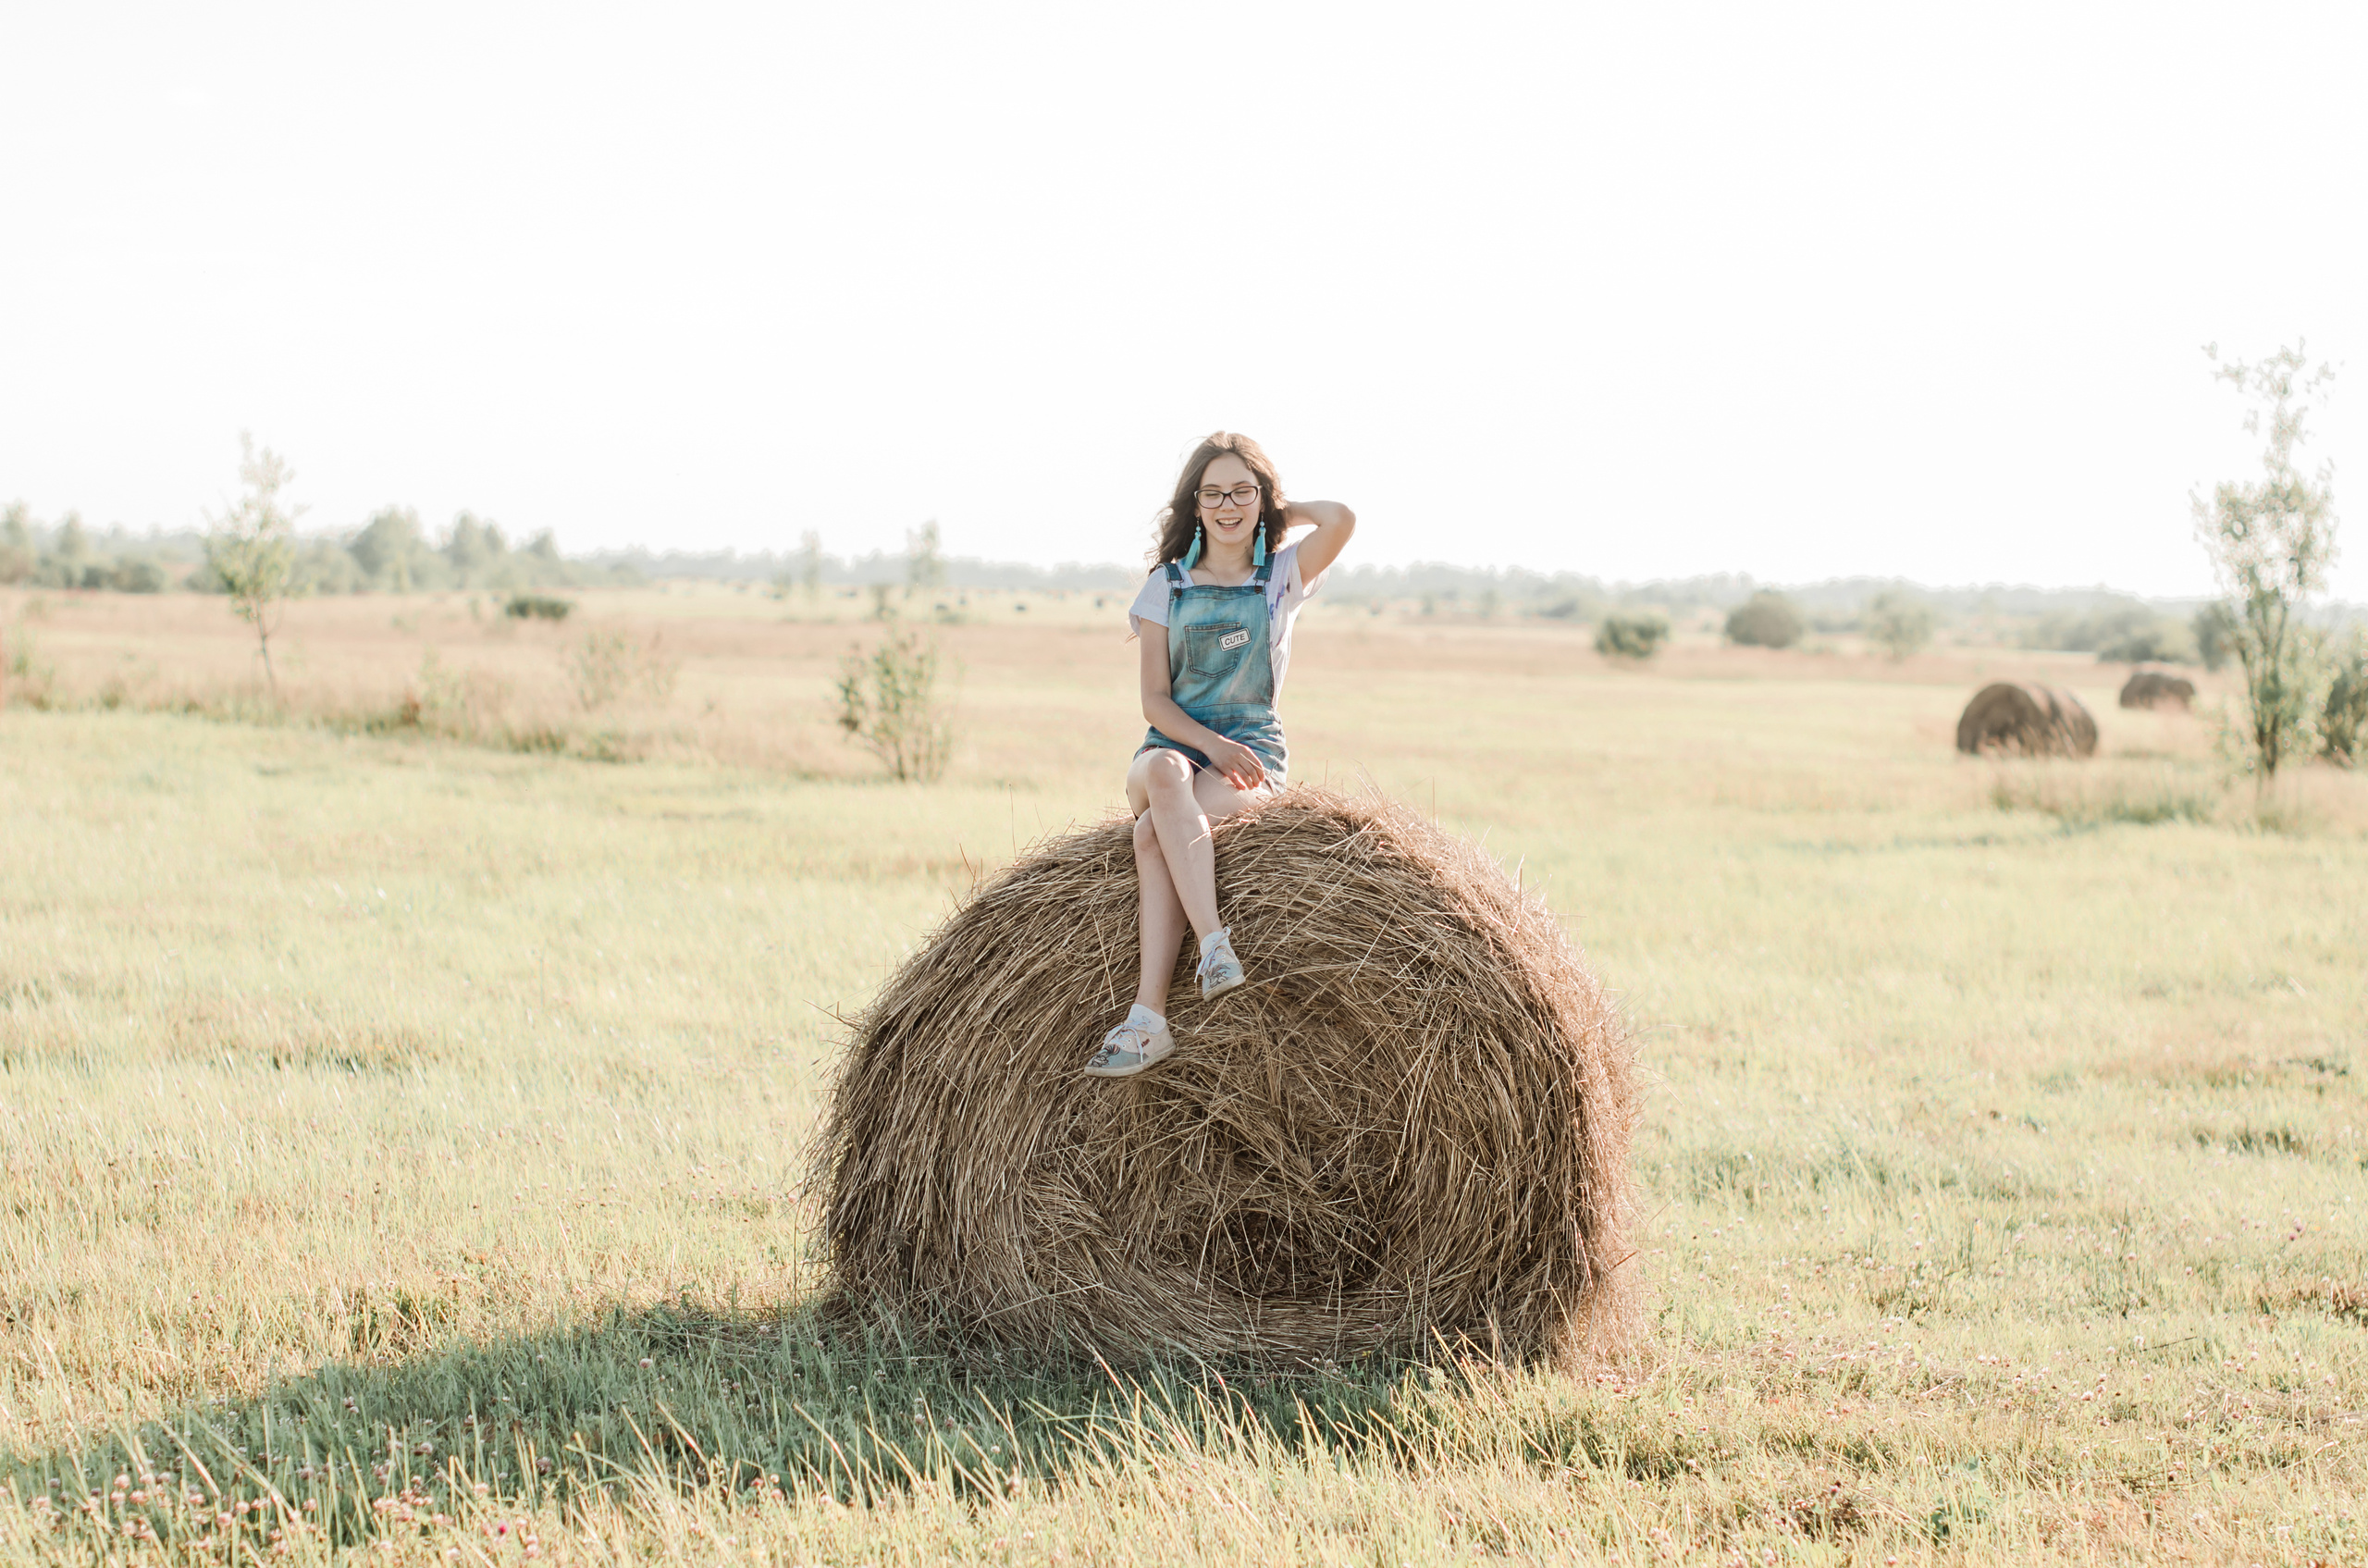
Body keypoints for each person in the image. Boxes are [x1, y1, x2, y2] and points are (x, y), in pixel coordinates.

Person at [1082, 432, 1355, 1077]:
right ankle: (1213, 942)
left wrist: (1280, 509)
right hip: (1171, 745)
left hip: (1253, 751)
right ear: (1195, 505)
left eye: (1241, 491)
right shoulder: (1165, 586)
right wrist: (1208, 744)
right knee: (1166, 776)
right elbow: (1154, 700)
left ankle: (1149, 1018)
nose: (1227, 504)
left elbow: (1343, 519)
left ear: (1262, 499)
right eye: (1213, 493)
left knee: (1155, 832)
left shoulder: (1280, 577)